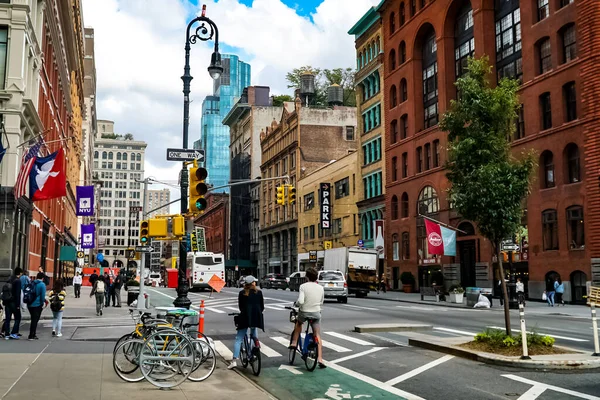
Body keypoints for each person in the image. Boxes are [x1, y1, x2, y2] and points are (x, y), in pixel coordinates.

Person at [289, 267, 326, 369]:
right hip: (316, 313)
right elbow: (322, 301)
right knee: (317, 334)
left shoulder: (303, 286)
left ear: (306, 277)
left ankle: (294, 342)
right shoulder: (320, 288)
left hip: (304, 312)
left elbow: (300, 301)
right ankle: (320, 359)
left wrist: (296, 305)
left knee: (299, 323)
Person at [228, 276, 264, 370]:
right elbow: (262, 307)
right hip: (256, 318)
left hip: (245, 318)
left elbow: (240, 307)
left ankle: (234, 361)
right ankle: (253, 349)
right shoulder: (259, 292)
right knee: (254, 335)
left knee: (239, 339)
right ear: (253, 283)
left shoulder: (242, 293)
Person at [2, 267, 24, 340]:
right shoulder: (17, 281)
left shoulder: (9, 279)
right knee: (17, 318)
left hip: (7, 301)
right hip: (13, 301)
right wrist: (18, 305)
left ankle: (6, 334)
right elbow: (17, 294)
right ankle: (13, 333)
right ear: (20, 273)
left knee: (8, 318)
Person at [28, 272, 47, 340]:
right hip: (37, 304)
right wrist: (43, 303)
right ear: (42, 278)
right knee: (35, 320)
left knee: (33, 319)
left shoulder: (32, 282)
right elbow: (42, 296)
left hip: (30, 303)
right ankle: (32, 335)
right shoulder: (42, 285)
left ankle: (32, 334)